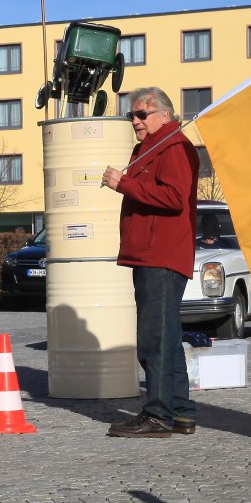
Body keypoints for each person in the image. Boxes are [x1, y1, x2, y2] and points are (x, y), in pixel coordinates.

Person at [100, 87, 200, 438]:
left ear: (164, 115)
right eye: (132, 115)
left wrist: (124, 184)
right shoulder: (153, 147)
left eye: (142, 114)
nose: (135, 121)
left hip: (161, 256)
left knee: (154, 338)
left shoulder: (173, 147)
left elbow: (174, 198)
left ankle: (158, 415)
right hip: (153, 255)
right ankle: (181, 412)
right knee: (166, 337)